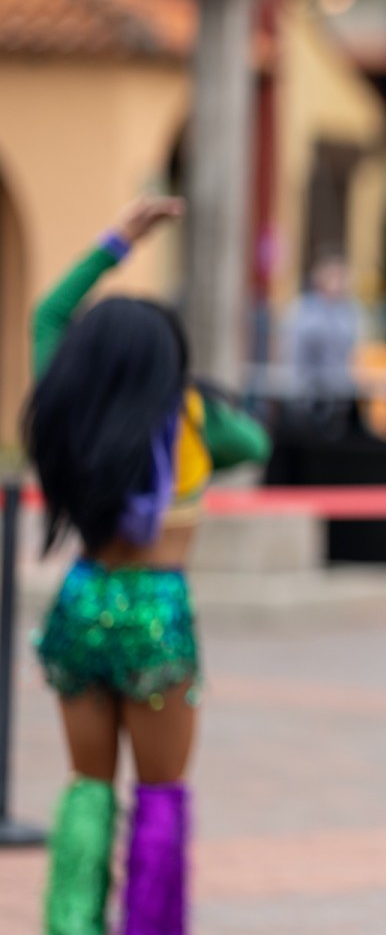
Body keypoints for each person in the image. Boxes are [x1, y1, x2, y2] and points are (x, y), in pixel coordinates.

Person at [28, 198, 271, 935]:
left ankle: (72, 924)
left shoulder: (72, 414)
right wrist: (187, 394)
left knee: (87, 788)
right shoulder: (191, 421)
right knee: (160, 796)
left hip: (80, 603)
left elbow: (48, 318)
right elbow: (254, 443)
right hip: (156, 616)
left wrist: (118, 241)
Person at [282, 252, 361, 402]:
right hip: (307, 393)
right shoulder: (305, 310)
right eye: (335, 277)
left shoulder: (347, 311)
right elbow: (298, 351)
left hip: (339, 392)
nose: (340, 284)